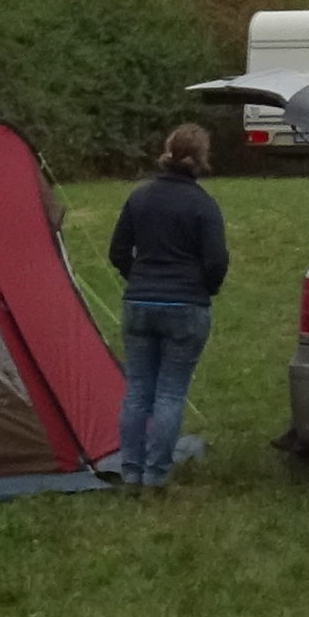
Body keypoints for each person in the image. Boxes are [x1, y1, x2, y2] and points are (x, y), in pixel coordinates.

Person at [106, 124, 228, 487]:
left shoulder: (139, 197)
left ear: (167, 151)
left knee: (138, 390)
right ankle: (156, 474)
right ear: (201, 158)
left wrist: (138, 278)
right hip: (186, 305)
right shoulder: (204, 205)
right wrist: (205, 288)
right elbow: (216, 261)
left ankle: (130, 469)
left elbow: (117, 251)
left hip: (140, 301)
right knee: (170, 393)